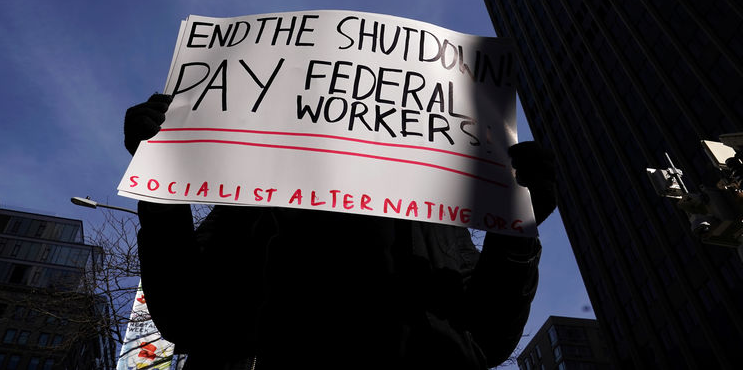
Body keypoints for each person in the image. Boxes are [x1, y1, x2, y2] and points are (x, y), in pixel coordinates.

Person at [126, 94, 557, 370]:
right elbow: (185, 310)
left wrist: (516, 231)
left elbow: (487, 333)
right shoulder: (252, 203)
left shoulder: (431, 216)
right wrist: (160, 179)